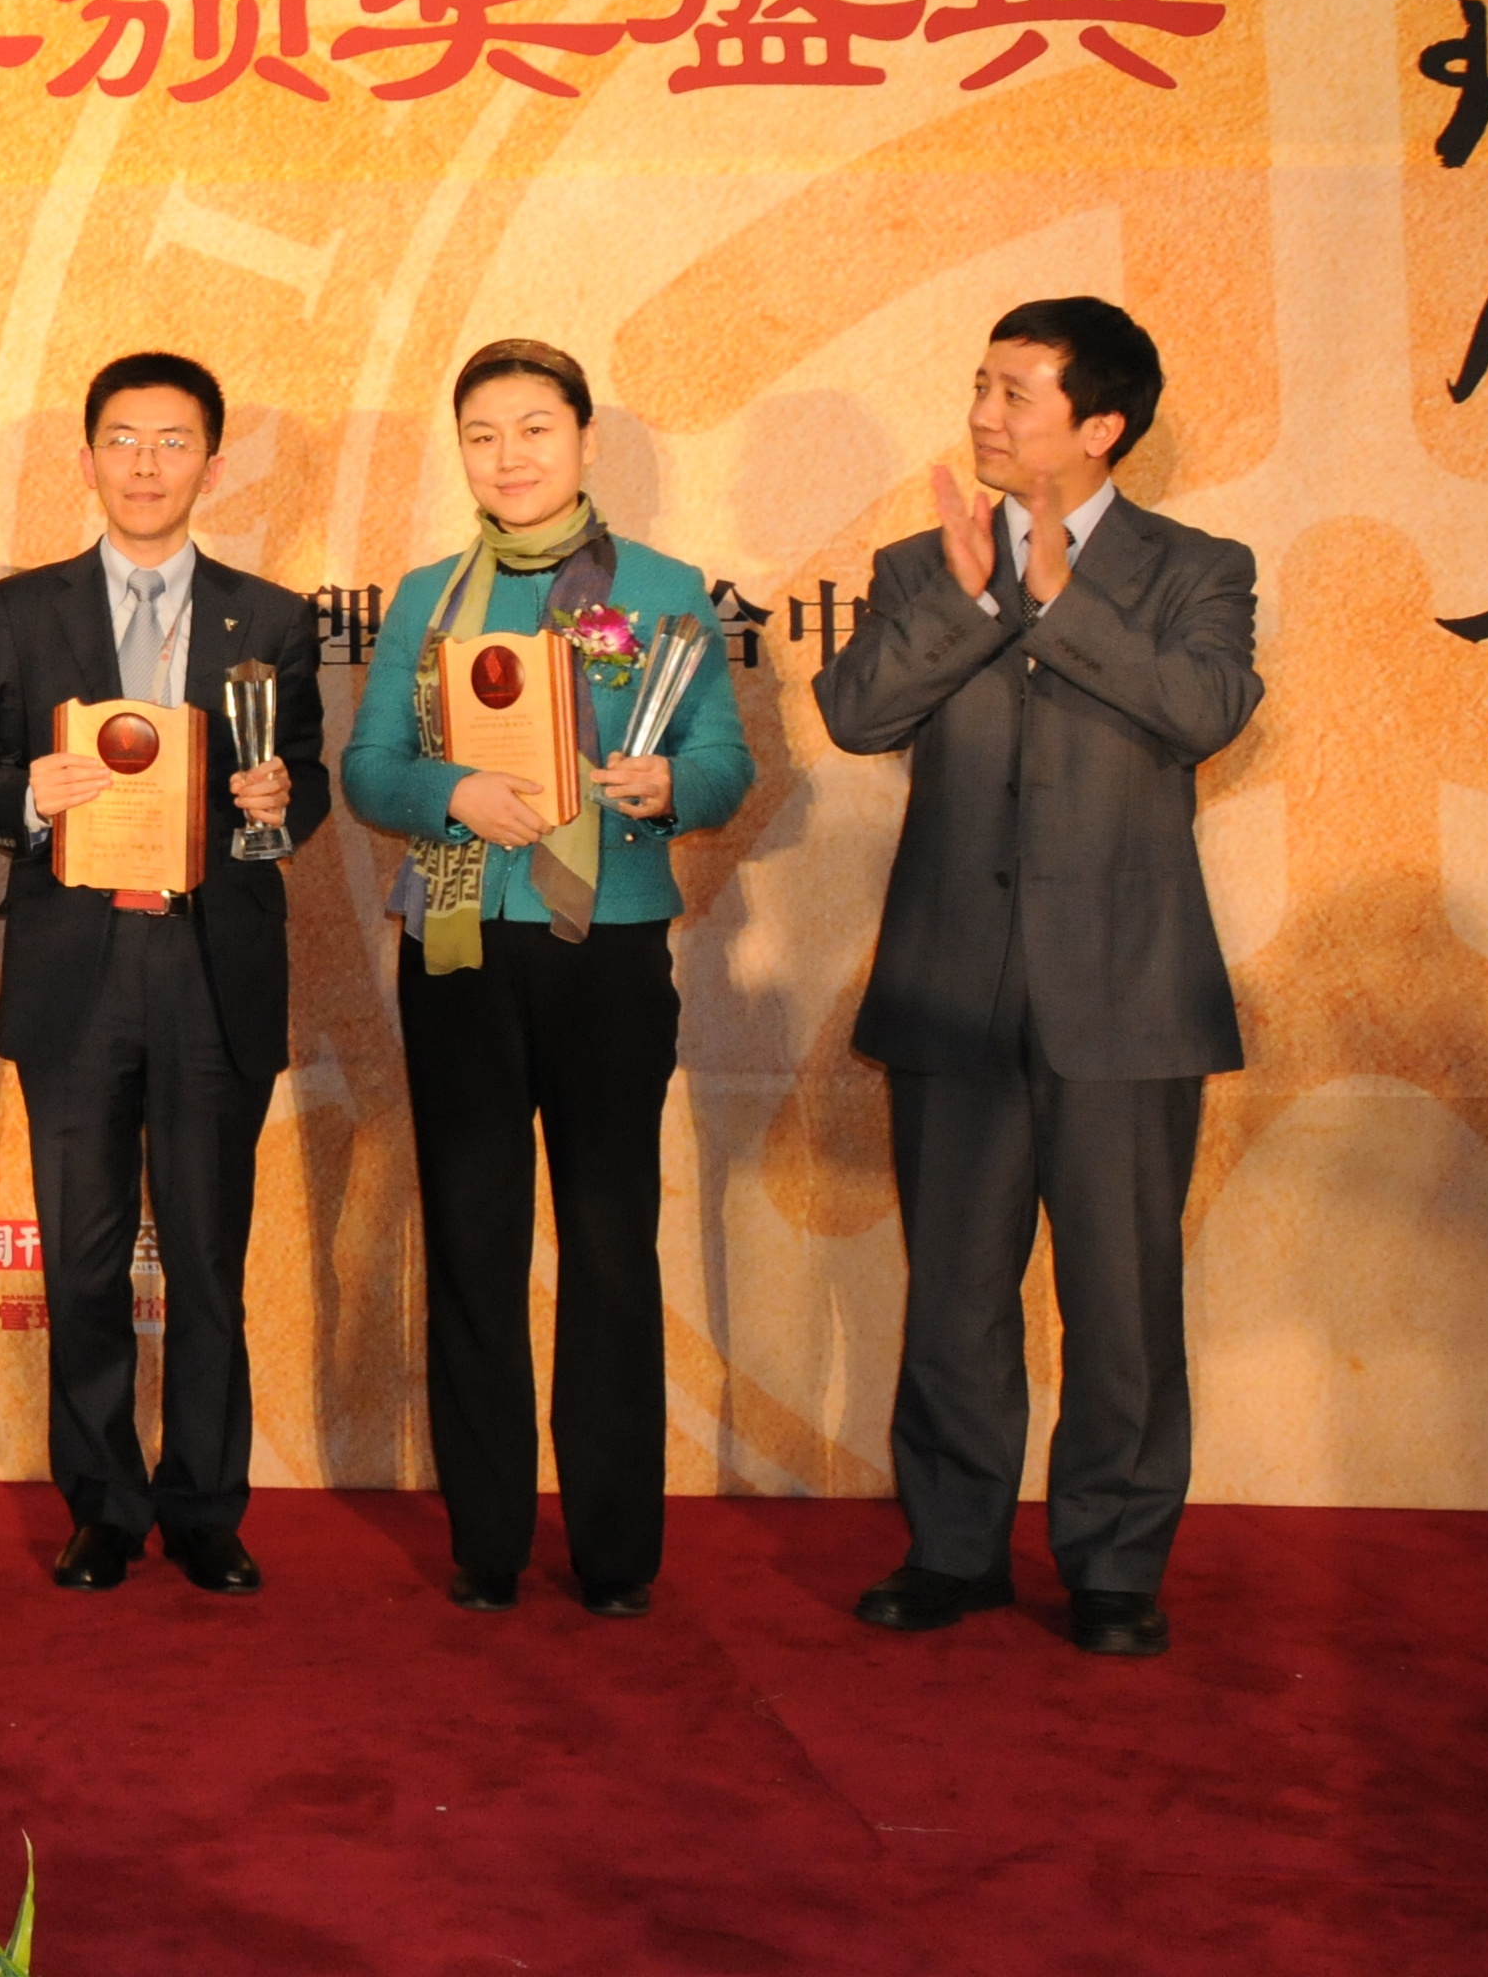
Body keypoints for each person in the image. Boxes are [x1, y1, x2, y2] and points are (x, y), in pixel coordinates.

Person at [816, 297, 1254, 1660]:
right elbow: (856, 713)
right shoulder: (922, 564)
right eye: (980, 386)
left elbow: (1205, 710)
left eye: (1015, 394)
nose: (984, 415)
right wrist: (966, 600)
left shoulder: (1196, 568)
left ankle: (1114, 1564)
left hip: (1127, 994)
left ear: (1100, 425)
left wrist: (1060, 598)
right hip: (951, 988)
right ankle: (952, 1548)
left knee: (1122, 1303)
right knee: (953, 1294)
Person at [345, 338, 753, 1617]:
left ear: (582, 440)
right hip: (459, 944)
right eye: (481, 434)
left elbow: (726, 762)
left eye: (533, 428)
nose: (507, 456)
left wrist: (671, 784)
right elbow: (367, 768)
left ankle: (615, 1548)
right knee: (471, 1239)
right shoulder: (428, 597)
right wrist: (448, 789)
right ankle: (487, 1538)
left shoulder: (666, 587)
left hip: (607, 947)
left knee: (609, 1240)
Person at [0, 351, 328, 1596]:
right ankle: (103, 1505)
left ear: (210, 466)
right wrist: (27, 793)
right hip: (76, 965)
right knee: (82, 1256)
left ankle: (206, 1506)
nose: (146, 464)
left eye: (173, 443)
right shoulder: (22, 610)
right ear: (86, 460)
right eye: (122, 439)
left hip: (209, 963)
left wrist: (278, 802)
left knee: (209, 1255)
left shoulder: (270, 616)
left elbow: (304, 782)